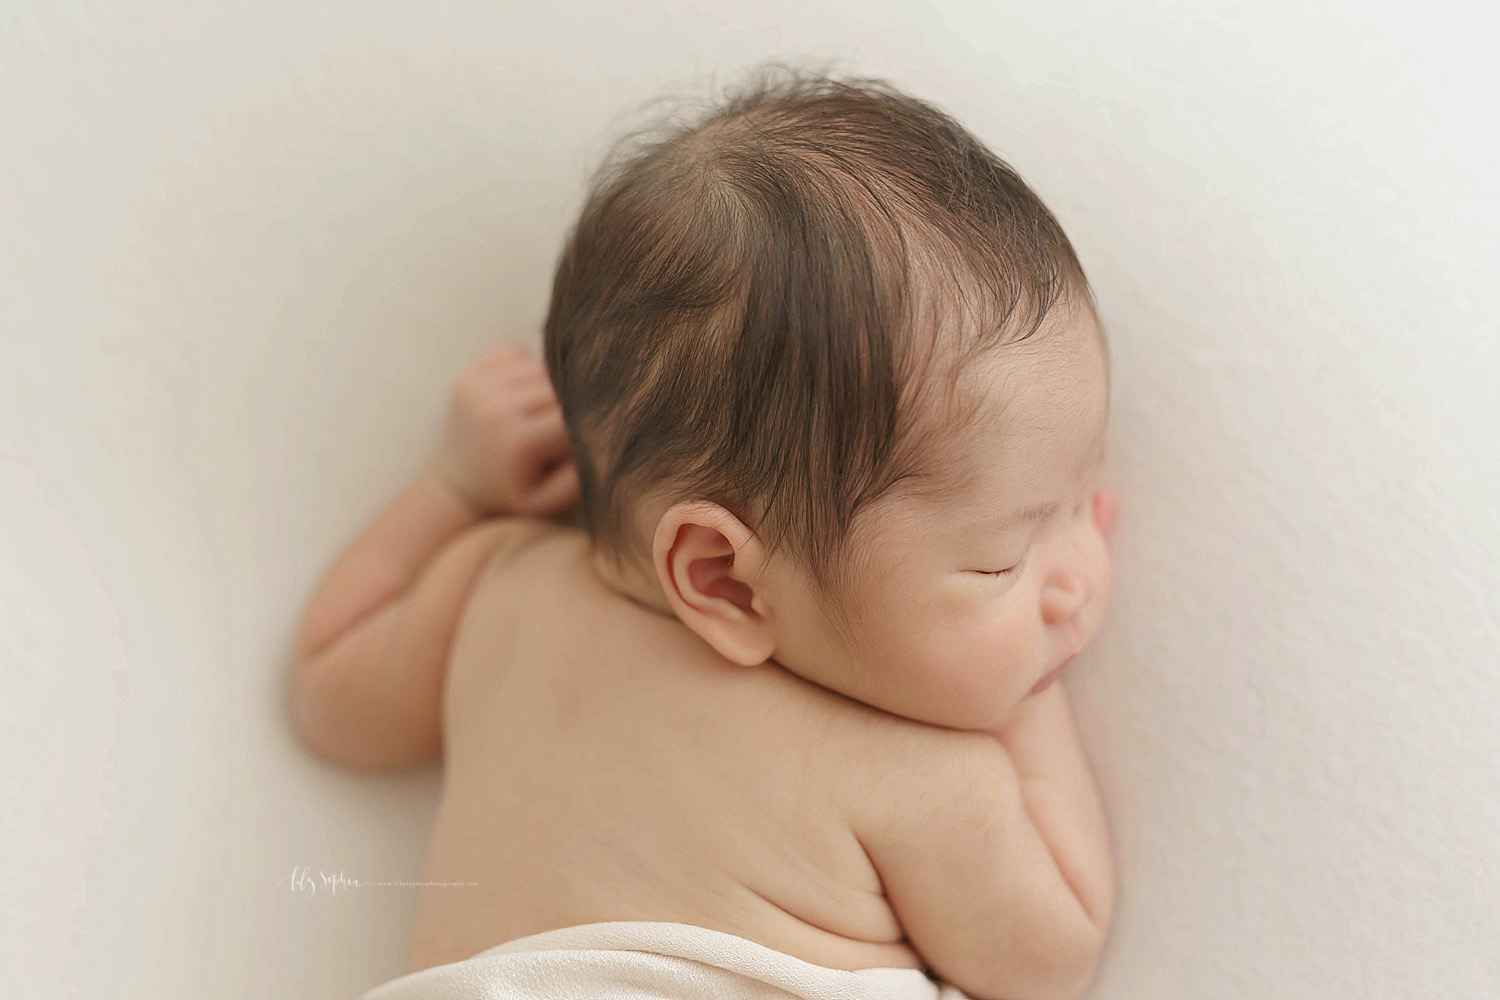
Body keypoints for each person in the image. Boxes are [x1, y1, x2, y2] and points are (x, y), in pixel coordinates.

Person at [290, 65, 1118, 1000]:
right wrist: (1031, 701)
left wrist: (451, 489)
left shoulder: (500, 589)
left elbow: (331, 694)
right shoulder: (924, 778)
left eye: (1083, 498)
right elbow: (1052, 960)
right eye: (1004, 558)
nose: (1077, 578)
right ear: (722, 577)